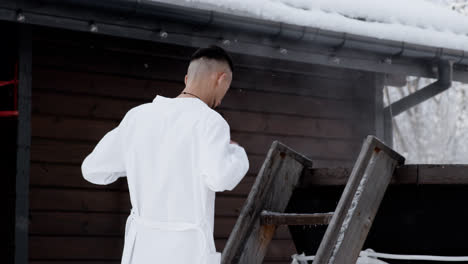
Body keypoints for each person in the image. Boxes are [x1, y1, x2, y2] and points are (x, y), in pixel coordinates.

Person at [81, 45, 249, 264]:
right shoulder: (210, 122)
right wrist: (236, 153)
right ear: (222, 79)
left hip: (141, 251)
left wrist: (137, 160)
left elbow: (93, 170)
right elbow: (220, 178)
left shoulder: (138, 117)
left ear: (187, 78)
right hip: (187, 252)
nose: (222, 99)